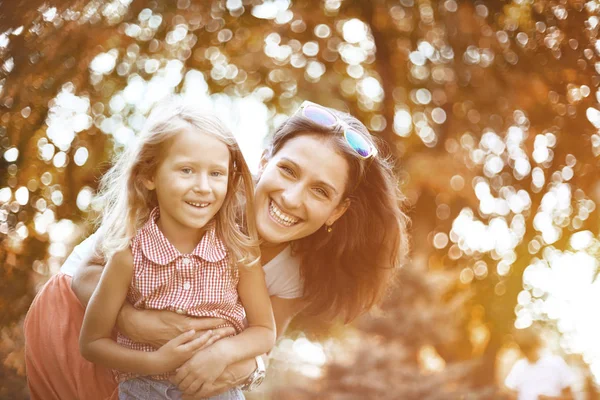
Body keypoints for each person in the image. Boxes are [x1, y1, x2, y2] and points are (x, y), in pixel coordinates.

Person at [24, 100, 409, 400]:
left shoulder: (297, 272)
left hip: (165, 374)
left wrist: (226, 361)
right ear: (263, 161)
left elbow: (261, 341)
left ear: (337, 211)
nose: (292, 198)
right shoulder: (200, 200)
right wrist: (132, 320)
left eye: (320, 191)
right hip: (78, 320)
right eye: (288, 170)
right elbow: (88, 273)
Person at [79, 100, 275, 399]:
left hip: (218, 391)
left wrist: (224, 352)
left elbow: (264, 331)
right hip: (141, 391)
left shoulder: (238, 252)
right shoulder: (128, 254)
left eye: (216, 173)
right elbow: (91, 343)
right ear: (149, 175)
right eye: (186, 170)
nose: (203, 186)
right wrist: (153, 362)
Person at [504, 327, 576, 400]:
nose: (527, 354)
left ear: (537, 344)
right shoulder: (519, 367)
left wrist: (550, 399)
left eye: (529, 349)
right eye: (523, 350)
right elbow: (511, 393)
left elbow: (571, 397)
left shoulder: (556, 363)